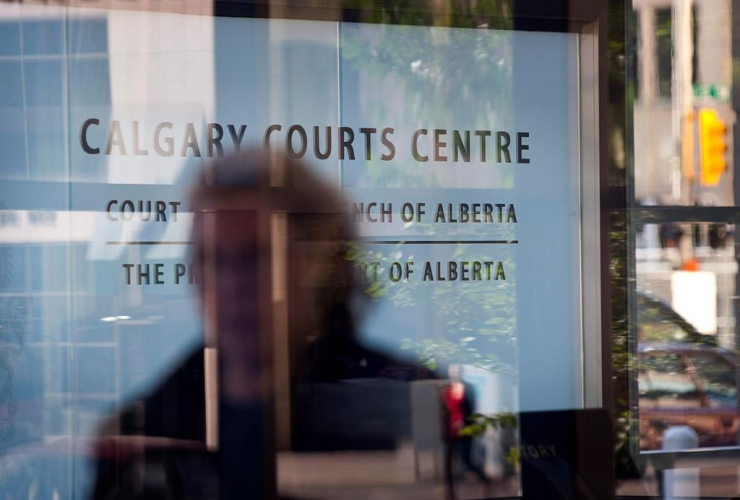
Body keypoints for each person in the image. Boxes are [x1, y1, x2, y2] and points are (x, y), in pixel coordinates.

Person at [90, 148, 431, 499]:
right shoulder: (143, 433)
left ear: (317, 264)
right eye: (212, 260)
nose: (232, 285)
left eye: (256, 257)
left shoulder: (409, 408)